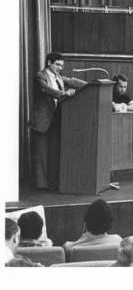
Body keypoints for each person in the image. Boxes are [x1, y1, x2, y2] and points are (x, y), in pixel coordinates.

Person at [30, 52, 87, 190]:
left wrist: (91, 85)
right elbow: (45, 89)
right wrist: (63, 93)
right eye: (57, 64)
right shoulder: (40, 75)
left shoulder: (59, 77)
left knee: (54, 153)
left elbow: (72, 81)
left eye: (62, 65)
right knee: (41, 155)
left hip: (55, 120)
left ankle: (52, 182)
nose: (60, 67)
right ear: (49, 63)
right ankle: (41, 185)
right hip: (41, 121)